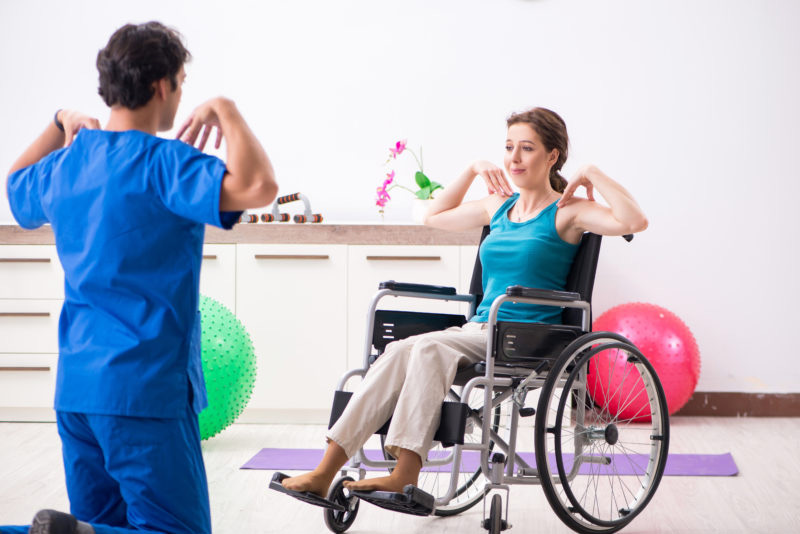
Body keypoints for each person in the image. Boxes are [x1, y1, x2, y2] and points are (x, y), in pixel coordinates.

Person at [279, 107, 647, 498]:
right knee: (398, 350)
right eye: (508, 148)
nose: (514, 159)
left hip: (527, 335)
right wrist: (473, 169)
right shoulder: (499, 207)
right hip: (480, 330)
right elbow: (430, 215)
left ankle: (405, 470)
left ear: (552, 156)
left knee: (428, 346)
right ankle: (325, 470)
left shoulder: (567, 211)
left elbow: (634, 221)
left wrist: (592, 172)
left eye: (527, 149)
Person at [1, 22, 277, 534]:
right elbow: (260, 186)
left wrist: (58, 121)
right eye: (182, 81)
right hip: (145, 393)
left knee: (102, 525)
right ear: (163, 86)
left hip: (77, 393)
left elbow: (15, 186)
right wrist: (228, 111)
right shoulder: (166, 164)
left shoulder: (66, 165)